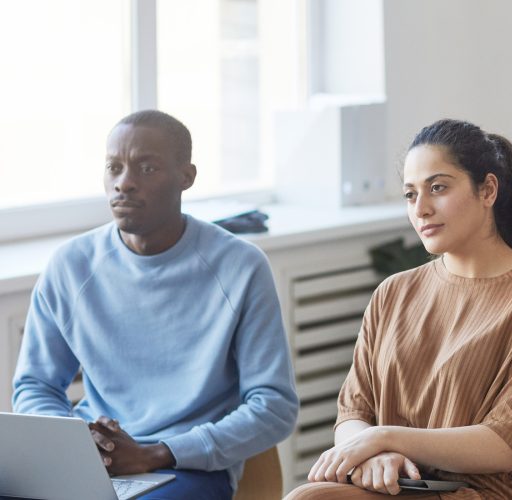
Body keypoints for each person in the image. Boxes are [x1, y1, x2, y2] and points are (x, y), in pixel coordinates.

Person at [11, 110, 299, 498]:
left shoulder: (240, 267)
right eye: (114, 167)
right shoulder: (70, 265)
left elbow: (274, 406)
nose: (124, 184)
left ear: (186, 177)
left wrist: (158, 453)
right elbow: (35, 385)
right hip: (96, 459)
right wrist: (76, 449)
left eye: (146, 169)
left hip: (186, 466)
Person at [286, 119, 512, 499]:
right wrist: (376, 454)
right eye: (410, 195)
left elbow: (505, 445)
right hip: (397, 486)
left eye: (437, 188)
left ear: (487, 190)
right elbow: (354, 412)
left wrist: (385, 439)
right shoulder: (393, 292)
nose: (421, 209)